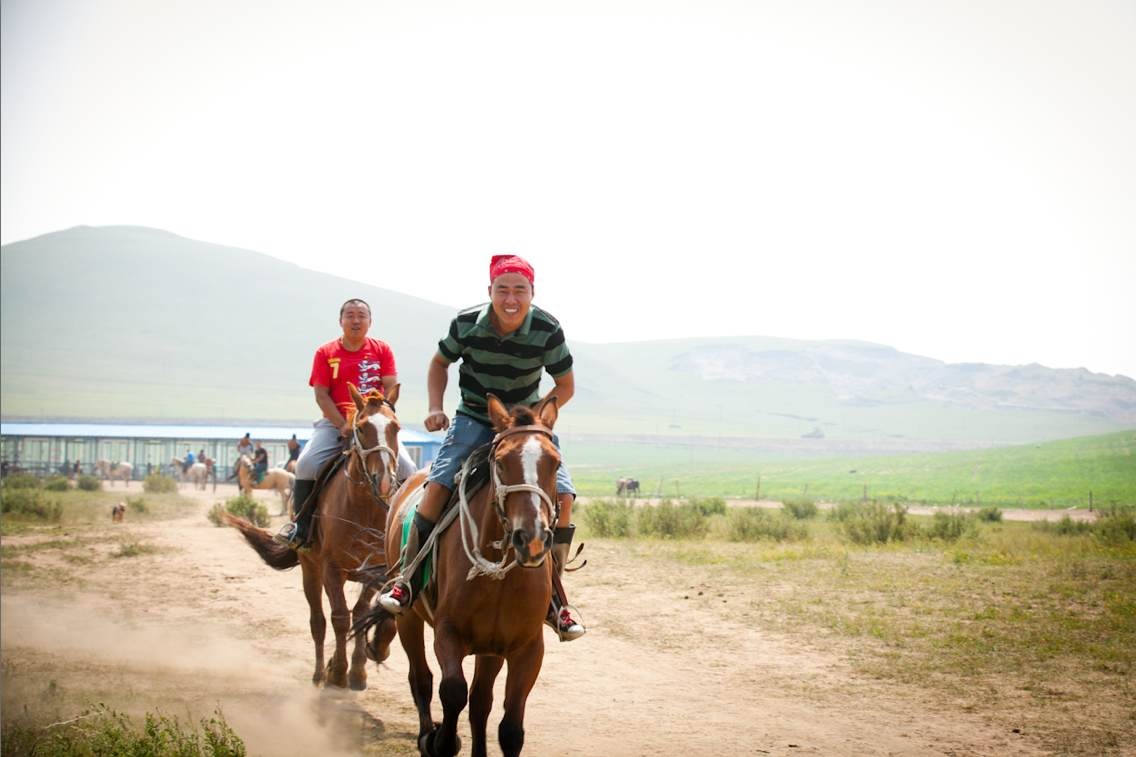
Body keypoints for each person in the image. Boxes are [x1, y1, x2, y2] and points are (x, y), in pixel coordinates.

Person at [377, 255, 584, 641]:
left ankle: (557, 600)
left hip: (524, 422)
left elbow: (565, 385)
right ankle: (406, 579)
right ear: (489, 292)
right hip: (474, 417)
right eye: (502, 289)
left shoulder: (548, 329)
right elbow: (439, 363)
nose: (511, 298)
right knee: (437, 485)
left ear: (532, 294)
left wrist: (536, 419)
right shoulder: (466, 324)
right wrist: (435, 407)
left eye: (519, 290)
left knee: (565, 493)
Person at [274, 298, 418, 549]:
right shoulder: (325, 353)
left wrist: (376, 418)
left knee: (408, 468)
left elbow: (390, 388)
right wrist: (342, 424)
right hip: (335, 423)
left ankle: (408, 532)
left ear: (370, 322)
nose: (355, 320)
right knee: (307, 464)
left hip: (374, 423)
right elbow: (321, 395)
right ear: (340, 321)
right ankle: (302, 528)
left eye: (361, 315)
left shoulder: (382, 350)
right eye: (350, 315)